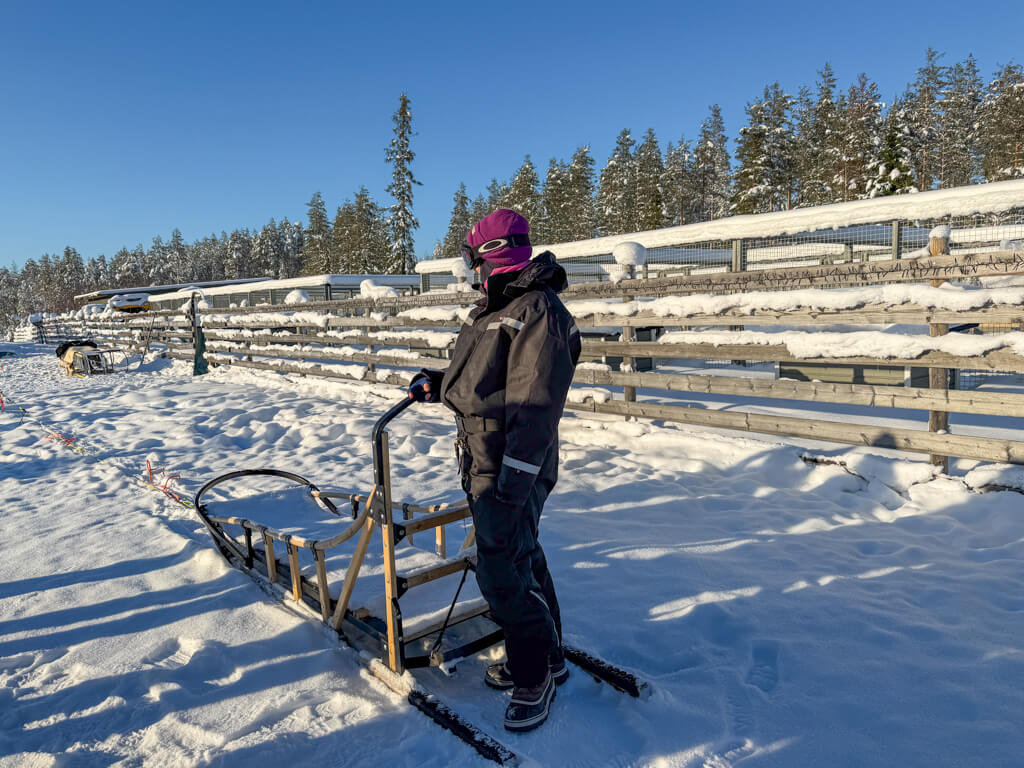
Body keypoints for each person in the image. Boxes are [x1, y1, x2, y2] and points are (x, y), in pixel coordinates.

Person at [408, 208, 580, 732]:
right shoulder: (499, 307)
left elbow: (533, 408)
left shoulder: (537, 312)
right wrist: (440, 383)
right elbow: (485, 379)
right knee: (520, 550)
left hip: (511, 460)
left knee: (499, 568)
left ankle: (532, 674)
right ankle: (548, 655)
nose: (469, 269)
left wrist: (511, 481)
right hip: (486, 454)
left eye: (470, 257)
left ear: (490, 255)